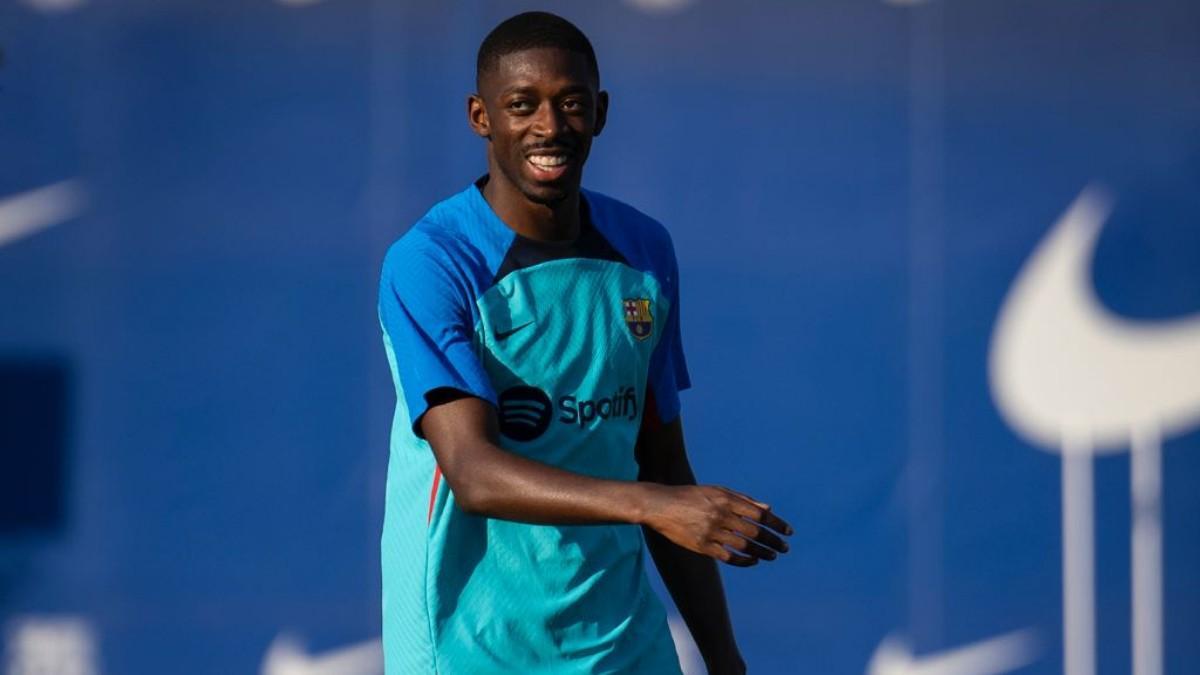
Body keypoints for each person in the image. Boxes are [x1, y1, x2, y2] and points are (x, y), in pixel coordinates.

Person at [377, 11, 791, 674]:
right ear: (480, 117)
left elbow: (660, 463)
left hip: (625, 648)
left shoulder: (644, 250)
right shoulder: (432, 262)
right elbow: (474, 471)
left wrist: (725, 659)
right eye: (521, 105)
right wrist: (654, 506)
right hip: (474, 650)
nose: (549, 126)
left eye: (570, 103)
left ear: (599, 113)